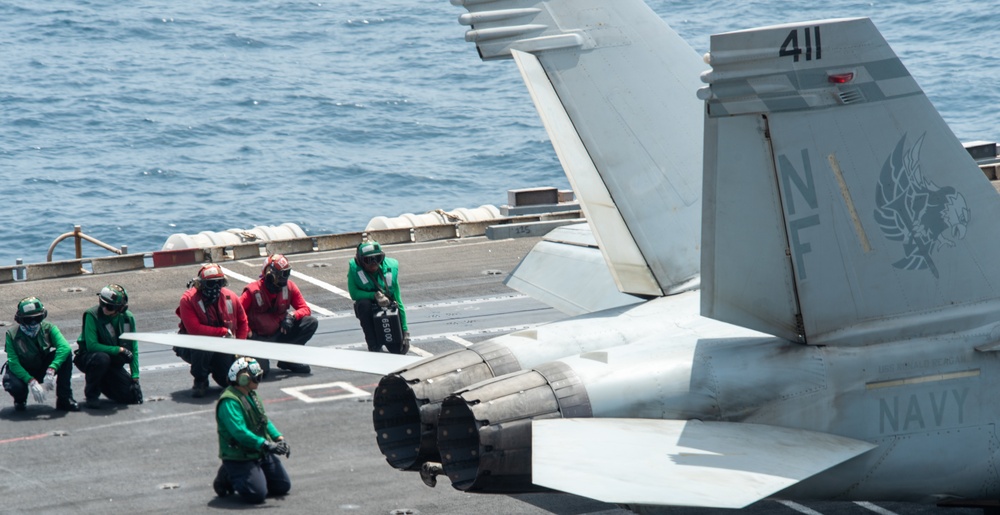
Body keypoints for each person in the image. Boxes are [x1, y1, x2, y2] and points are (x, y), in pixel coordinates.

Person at [212, 356, 291, 504]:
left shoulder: (251, 394)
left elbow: (263, 420)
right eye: (257, 377)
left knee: (282, 486)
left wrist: (279, 438)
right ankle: (227, 474)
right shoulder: (229, 402)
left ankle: (255, 473)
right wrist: (266, 444)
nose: (259, 380)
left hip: (258, 450)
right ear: (243, 379)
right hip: (240, 455)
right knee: (256, 495)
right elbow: (239, 432)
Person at [175, 263, 249, 398]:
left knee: (230, 381)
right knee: (202, 344)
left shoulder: (231, 298)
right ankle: (200, 379)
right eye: (211, 284)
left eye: (219, 283)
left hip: (222, 346)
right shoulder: (188, 300)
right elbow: (195, 330)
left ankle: (217, 368)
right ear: (200, 285)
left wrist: (240, 348)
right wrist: (222, 332)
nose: (215, 288)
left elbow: (243, 321)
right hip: (194, 346)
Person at [240, 254, 316, 375]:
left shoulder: (289, 287)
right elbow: (237, 313)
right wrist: (247, 331)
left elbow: (305, 309)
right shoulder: (252, 292)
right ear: (270, 275)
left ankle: (288, 359)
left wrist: (292, 316)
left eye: (287, 273)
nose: (285, 278)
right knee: (261, 373)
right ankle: (250, 357)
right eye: (282, 274)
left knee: (310, 322)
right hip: (258, 339)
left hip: (280, 333)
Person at [2, 297, 80, 412]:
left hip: (42, 367)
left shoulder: (49, 328)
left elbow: (65, 348)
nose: (33, 324)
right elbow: (13, 363)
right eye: (29, 320)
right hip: (23, 370)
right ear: (20, 320)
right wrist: (31, 381)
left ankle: (65, 398)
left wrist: (52, 369)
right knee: (14, 385)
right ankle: (20, 399)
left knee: (65, 356)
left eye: (37, 318)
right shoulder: (12, 335)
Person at [74, 284, 143, 409]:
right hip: (90, 357)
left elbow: (133, 348)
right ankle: (92, 395)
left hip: (112, 360)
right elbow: (92, 346)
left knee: (131, 397)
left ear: (120, 308)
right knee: (102, 359)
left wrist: (135, 377)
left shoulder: (128, 318)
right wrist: (118, 349)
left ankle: (103, 381)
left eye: (110, 306)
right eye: (102, 303)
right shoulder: (92, 315)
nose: (105, 308)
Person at [347, 240, 410, 354]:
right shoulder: (354, 269)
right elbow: (354, 293)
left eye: (378, 258)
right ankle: (373, 345)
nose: (374, 263)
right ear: (361, 260)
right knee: (363, 304)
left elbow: (398, 300)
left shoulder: (391, 268)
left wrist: (405, 330)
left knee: (399, 350)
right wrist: (374, 295)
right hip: (369, 307)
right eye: (369, 260)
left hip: (387, 306)